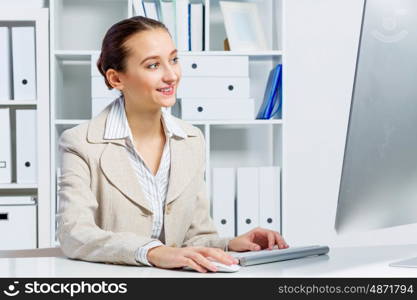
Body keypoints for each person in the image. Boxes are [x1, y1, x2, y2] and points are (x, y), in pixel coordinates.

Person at [57, 16, 288, 273]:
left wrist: (231, 245)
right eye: (153, 65)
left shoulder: (191, 140)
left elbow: (195, 238)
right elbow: (74, 234)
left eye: (174, 60)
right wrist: (154, 252)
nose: (171, 75)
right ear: (116, 79)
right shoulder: (81, 142)